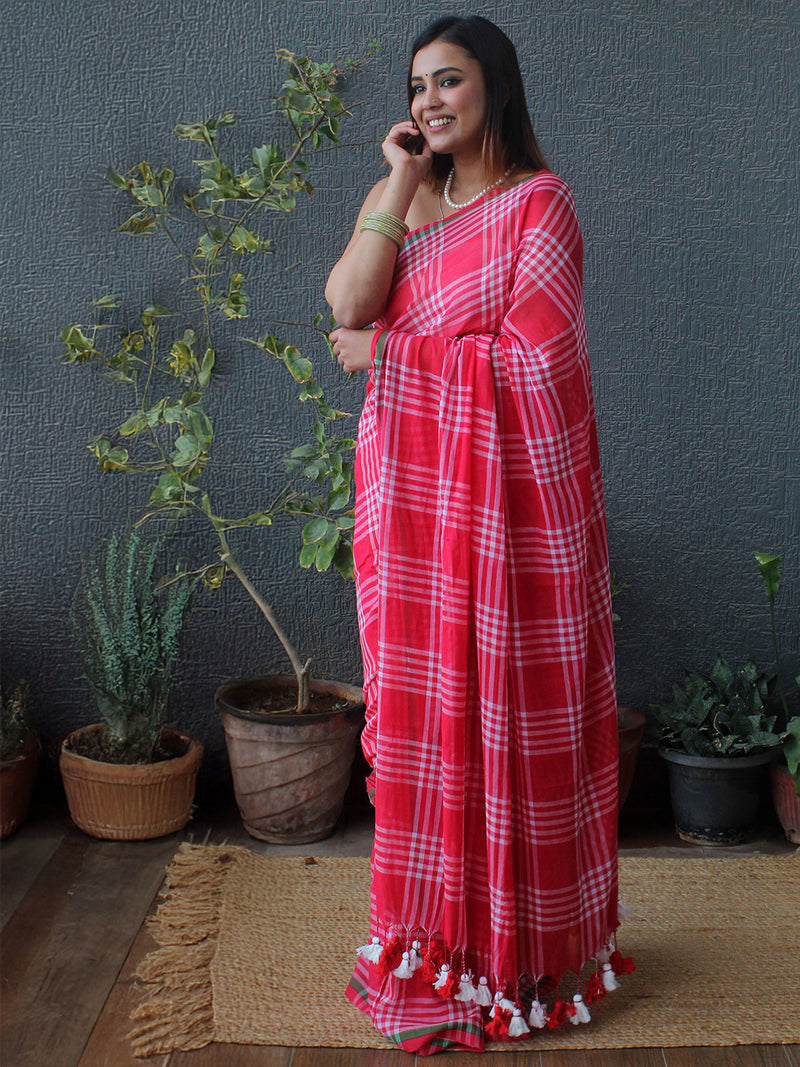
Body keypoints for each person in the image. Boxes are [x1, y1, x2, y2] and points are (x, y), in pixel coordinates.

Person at [325, 15, 629, 1056]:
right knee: (422, 723)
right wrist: (400, 179)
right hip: (413, 514)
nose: (428, 101)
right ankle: (437, 947)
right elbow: (346, 302)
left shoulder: (541, 206)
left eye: (448, 81)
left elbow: (540, 369)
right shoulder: (407, 200)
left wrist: (394, 357)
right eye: (417, 86)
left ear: (493, 86)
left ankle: (516, 958)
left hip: (513, 528)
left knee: (511, 713)